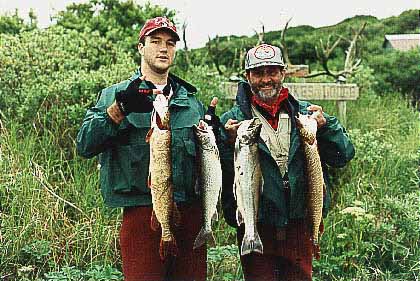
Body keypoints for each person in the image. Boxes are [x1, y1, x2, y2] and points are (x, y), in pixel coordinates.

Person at [76, 17, 217, 281]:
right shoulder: (115, 95)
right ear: (141, 47)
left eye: (170, 43)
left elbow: (209, 162)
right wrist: (118, 110)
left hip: (190, 215)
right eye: (155, 42)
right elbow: (84, 144)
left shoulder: (191, 101)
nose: (164, 49)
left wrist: (217, 133)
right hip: (141, 214)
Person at [219, 44, 355, 281]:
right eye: (258, 73)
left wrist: (327, 127)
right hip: (257, 224)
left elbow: (343, 155)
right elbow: (219, 174)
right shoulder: (231, 122)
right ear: (247, 76)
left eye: (272, 72)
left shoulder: (307, 115)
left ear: (283, 73)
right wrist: (227, 144)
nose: (266, 80)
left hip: (298, 224)